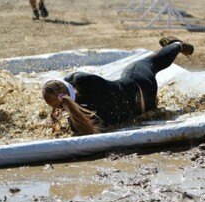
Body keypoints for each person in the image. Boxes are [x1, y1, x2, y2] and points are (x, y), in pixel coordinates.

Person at [42, 36, 194, 136]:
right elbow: (70, 82)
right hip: (140, 85)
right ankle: (177, 45)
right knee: (151, 63)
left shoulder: (77, 123)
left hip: (145, 108)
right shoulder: (83, 80)